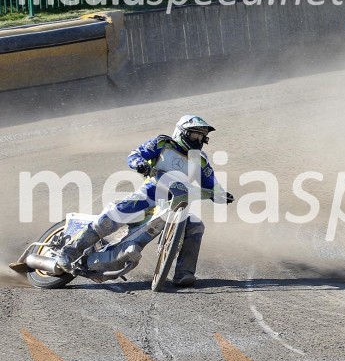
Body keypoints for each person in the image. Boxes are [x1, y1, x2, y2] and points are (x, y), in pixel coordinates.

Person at [55, 115, 234, 287]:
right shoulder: (162, 143)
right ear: (181, 132)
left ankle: (184, 273)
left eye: (201, 136)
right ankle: (69, 251)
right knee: (111, 218)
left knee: (196, 225)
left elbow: (212, 184)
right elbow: (135, 154)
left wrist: (221, 194)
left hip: (175, 204)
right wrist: (139, 163)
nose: (197, 139)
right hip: (148, 195)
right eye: (194, 133)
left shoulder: (201, 160)